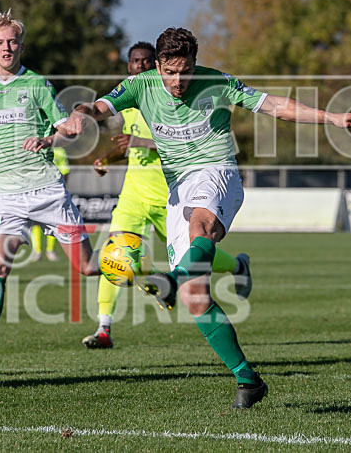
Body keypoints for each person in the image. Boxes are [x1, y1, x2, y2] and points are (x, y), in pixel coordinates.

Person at [63, 27, 351, 409]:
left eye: (186, 71)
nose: (178, 81)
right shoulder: (139, 86)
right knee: (195, 299)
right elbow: (96, 108)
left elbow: (275, 105)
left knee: (201, 227)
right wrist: (79, 116)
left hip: (218, 172)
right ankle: (248, 379)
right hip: (177, 189)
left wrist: (333, 118)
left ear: (196, 64)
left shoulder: (219, 82)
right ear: (158, 66)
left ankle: (172, 279)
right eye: (170, 72)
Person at [0, 9, 99, 371]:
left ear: (21, 46)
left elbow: (68, 129)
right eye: (0, 42)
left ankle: (138, 269)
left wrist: (51, 138)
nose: (7, 47)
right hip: (7, 196)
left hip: (47, 191)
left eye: (13, 42)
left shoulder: (37, 85)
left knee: (88, 267)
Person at [82, 42, 250, 350]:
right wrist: (107, 158)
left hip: (170, 195)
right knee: (115, 253)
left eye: (147, 61)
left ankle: (237, 266)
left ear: (156, 65)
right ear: (129, 66)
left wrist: (140, 142)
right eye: (135, 61)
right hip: (134, 195)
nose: (141, 66)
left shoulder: (168, 100)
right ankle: (104, 327)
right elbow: (127, 145)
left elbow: (182, 145)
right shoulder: (131, 103)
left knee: (193, 256)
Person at [29, 146, 70, 262]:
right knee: (35, 222)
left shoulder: (59, 151)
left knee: (54, 221)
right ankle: (37, 251)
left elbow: (65, 171)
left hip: (54, 191)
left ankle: (50, 250)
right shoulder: (36, 148)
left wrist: (62, 189)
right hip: (37, 191)